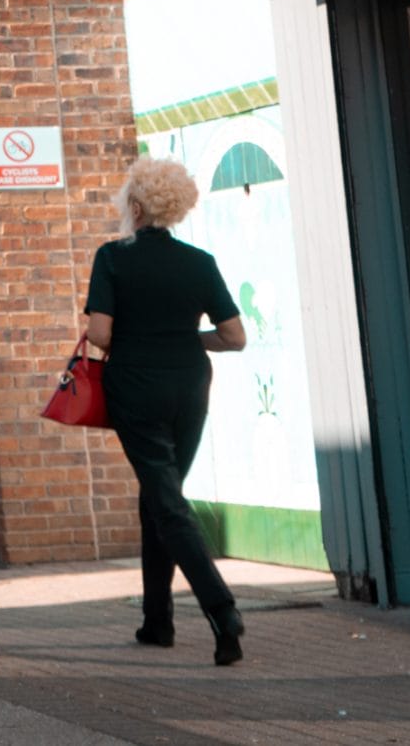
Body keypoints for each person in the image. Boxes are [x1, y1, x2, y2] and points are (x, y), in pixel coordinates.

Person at [86, 155, 249, 667]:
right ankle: (157, 621)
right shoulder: (199, 262)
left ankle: (223, 612)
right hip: (189, 385)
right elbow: (234, 337)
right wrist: (185, 337)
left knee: (168, 504)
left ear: (135, 205)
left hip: (136, 386)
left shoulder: (112, 258)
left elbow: (100, 335)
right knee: (161, 496)